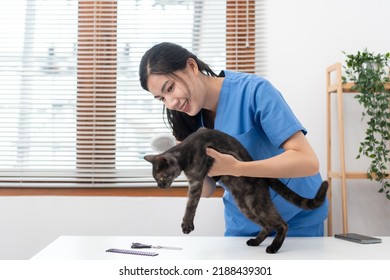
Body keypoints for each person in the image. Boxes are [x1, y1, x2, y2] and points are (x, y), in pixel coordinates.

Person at [139, 42, 328, 237]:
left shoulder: (254, 91)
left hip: (296, 219)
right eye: (161, 99)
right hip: (245, 225)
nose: (171, 104)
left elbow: (307, 161)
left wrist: (236, 168)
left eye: (170, 88)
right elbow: (206, 190)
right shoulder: (184, 121)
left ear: (192, 67)